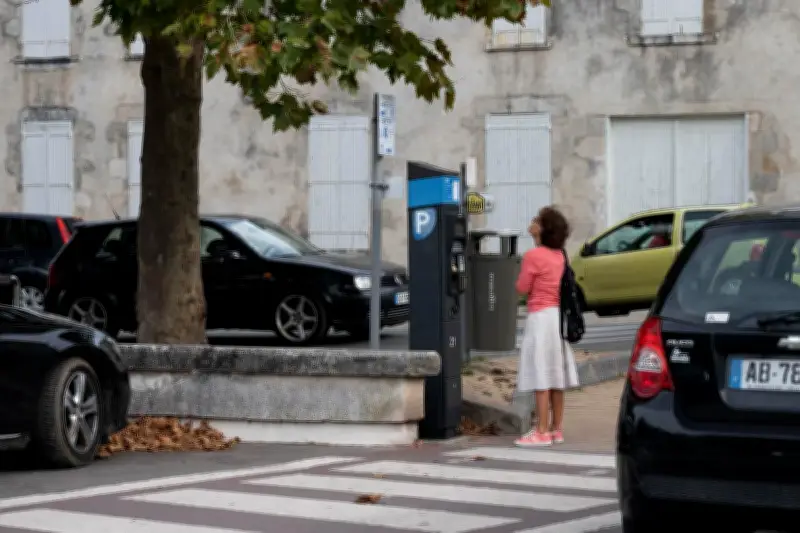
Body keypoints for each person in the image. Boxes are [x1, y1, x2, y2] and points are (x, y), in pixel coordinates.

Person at [514, 206, 580, 447]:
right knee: (556, 374)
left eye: (537, 221)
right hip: (557, 319)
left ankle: (541, 431)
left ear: (543, 228)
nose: (532, 223)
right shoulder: (561, 255)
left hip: (540, 318)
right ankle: (556, 429)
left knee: (541, 373)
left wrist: (533, 241)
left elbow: (522, 287)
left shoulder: (534, 256)